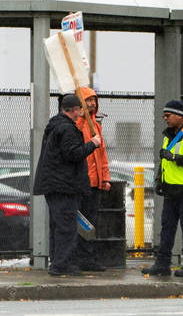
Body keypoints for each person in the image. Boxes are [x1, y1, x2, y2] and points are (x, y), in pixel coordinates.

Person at [33, 94, 102, 276]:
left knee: (59, 225)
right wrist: (92, 144)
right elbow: (73, 154)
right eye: (79, 109)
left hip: (54, 184)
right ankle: (61, 265)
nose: (81, 112)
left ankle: (59, 261)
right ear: (72, 109)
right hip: (64, 185)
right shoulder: (67, 129)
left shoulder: (54, 126)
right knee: (67, 227)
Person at [141, 100, 183, 278]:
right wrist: (160, 181)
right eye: (164, 115)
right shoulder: (169, 135)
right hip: (172, 189)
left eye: (168, 115)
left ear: (180, 116)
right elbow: (165, 164)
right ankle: (162, 264)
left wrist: (174, 157)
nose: (165, 118)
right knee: (167, 227)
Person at [72, 87, 111, 272]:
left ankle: (88, 258)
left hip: (94, 183)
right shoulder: (77, 125)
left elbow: (101, 155)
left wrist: (105, 178)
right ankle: (78, 257)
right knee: (80, 222)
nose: (93, 104)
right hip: (82, 182)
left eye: (94, 100)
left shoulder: (96, 126)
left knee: (90, 222)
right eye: (89, 100)